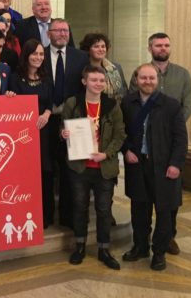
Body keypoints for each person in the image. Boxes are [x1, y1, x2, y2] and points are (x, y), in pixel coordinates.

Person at [128, 32, 191, 255]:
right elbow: (129, 114)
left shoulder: (182, 74)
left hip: (168, 147)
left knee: (168, 204)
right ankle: (141, 243)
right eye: (158, 45)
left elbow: (187, 106)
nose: (163, 48)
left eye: (166, 44)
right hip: (142, 152)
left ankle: (166, 240)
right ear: (150, 48)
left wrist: (166, 128)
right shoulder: (139, 73)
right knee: (140, 203)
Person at [121, 63, 188, 271]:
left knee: (164, 212)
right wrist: (126, 150)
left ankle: (159, 252)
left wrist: (176, 164)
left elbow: (181, 139)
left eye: (151, 78)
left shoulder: (171, 105)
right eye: (143, 78)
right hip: (137, 165)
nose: (147, 82)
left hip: (164, 167)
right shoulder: (127, 103)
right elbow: (120, 131)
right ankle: (140, 247)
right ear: (136, 79)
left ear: (157, 80)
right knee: (139, 210)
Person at [61, 65, 126, 270]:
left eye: (101, 80)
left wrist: (106, 154)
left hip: (104, 167)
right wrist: (63, 134)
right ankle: (79, 247)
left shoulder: (111, 105)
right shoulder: (73, 103)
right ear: (84, 81)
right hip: (80, 167)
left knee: (104, 210)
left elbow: (120, 134)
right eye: (94, 80)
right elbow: (64, 127)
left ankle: (103, 249)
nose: (98, 84)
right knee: (79, 208)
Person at [44, 18, 89, 227]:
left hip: (73, 121)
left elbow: (85, 90)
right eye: (58, 30)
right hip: (45, 121)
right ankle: (45, 215)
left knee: (71, 169)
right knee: (46, 168)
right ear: (48, 34)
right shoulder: (38, 55)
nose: (62, 34)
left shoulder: (81, 58)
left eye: (65, 30)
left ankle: (68, 216)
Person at [12, 39, 54, 226]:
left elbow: (50, 102)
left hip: (43, 132)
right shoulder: (15, 77)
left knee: (45, 173)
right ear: (26, 55)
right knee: (24, 173)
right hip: (22, 134)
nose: (38, 57)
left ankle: (45, 215)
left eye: (41, 54)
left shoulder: (46, 77)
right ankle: (24, 211)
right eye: (34, 54)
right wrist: (9, 97)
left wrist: (46, 113)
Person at [79, 33, 127, 101]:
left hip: (115, 108)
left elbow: (124, 91)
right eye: (96, 46)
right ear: (88, 49)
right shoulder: (81, 68)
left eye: (103, 46)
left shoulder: (116, 68)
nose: (101, 49)